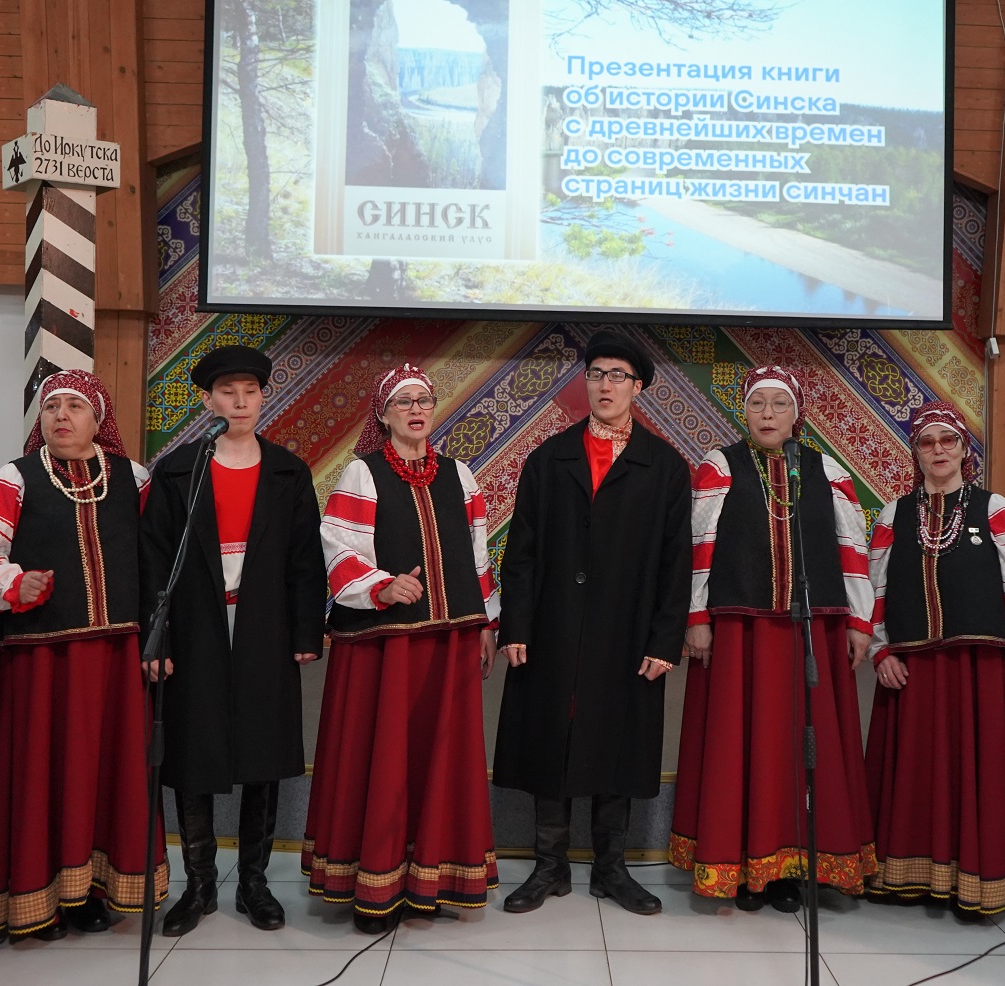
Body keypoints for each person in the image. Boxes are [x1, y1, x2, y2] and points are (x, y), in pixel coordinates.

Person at [493, 329, 692, 916]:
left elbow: (676, 562)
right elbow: (520, 553)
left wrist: (665, 638)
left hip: (626, 631)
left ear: (638, 388)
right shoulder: (548, 458)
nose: (606, 386)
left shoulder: (664, 466)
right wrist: (516, 626)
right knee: (550, 736)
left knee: (617, 740)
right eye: (597, 374)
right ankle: (549, 866)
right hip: (552, 625)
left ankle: (611, 868)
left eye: (618, 376)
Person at [0, 370, 167, 939]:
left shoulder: (133, 478)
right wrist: (14, 583)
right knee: (42, 774)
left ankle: (89, 893)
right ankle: (33, 897)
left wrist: (158, 639)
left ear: (98, 419)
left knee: (104, 774)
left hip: (115, 657)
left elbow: (155, 566)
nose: (61, 416)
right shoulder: (15, 477)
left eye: (75, 406)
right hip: (40, 660)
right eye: (52, 406)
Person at [671, 364, 877, 913]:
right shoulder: (721, 465)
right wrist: (697, 616)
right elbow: (699, 546)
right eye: (757, 404)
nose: (767, 414)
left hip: (810, 632)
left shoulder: (826, 470)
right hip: (740, 631)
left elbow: (852, 548)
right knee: (739, 746)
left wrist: (860, 622)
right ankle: (738, 865)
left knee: (801, 747)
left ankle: (793, 868)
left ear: (796, 414)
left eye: (779, 404)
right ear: (744, 412)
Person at [305, 362, 500, 934]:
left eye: (423, 400)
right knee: (384, 758)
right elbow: (339, 548)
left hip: (449, 642)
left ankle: (429, 881)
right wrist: (382, 587)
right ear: (384, 415)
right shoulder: (361, 474)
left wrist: (486, 625)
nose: (416, 409)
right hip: (384, 649)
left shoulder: (459, 475)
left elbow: (478, 555)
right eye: (403, 402)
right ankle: (376, 884)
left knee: (441, 757)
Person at [140, 345, 325, 936]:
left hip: (264, 627)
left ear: (263, 397)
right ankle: (198, 885)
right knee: (191, 752)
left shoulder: (289, 472)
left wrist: (305, 629)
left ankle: (253, 883)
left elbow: (305, 559)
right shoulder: (178, 471)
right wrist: (158, 640)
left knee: (263, 753)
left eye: (250, 391)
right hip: (195, 628)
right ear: (207, 400)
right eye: (227, 392)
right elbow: (154, 561)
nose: (240, 402)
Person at [864, 401, 1005, 920]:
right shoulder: (893, 514)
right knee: (918, 774)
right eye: (927, 442)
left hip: (978, 669)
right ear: (916, 453)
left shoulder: (994, 508)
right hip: (912, 671)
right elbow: (875, 592)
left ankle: (979, 882)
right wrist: (879, 650)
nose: (938, 450)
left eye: (949, 441)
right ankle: (910, 877)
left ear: (965, 451)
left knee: (977, 774)